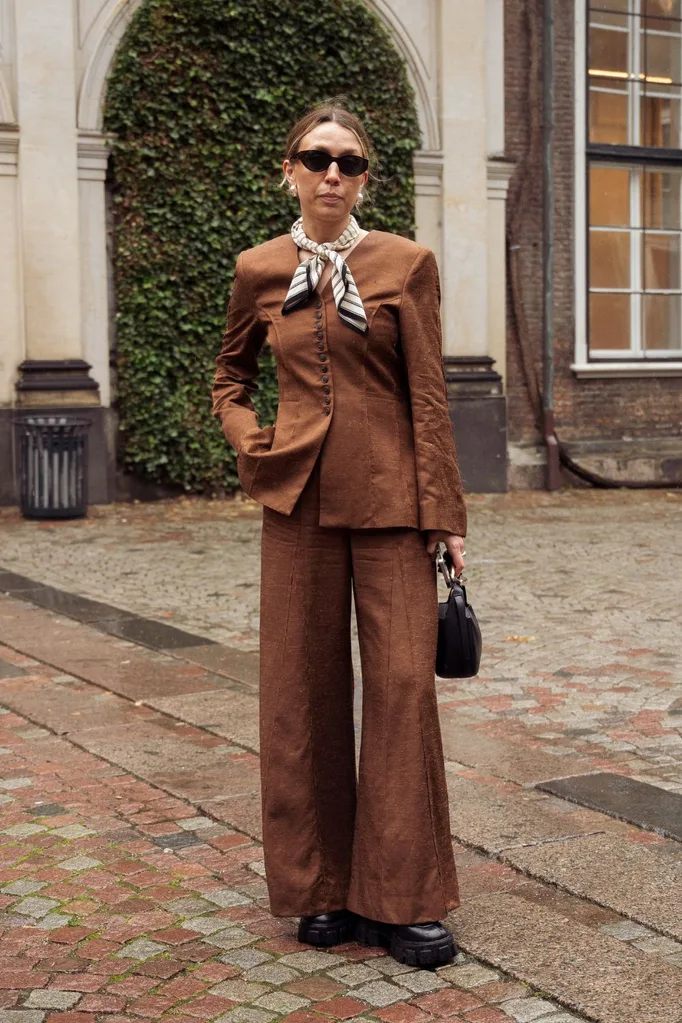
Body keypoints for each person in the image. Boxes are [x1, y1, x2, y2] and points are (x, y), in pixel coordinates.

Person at [212, 102, 467, 968]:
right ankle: (320, 889)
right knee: (300, 696)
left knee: (401, 689)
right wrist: (255, 441)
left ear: (365, 177)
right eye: (316, 158)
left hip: (393, 506)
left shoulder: (405, 264)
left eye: (349, 162)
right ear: (288, 168)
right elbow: (229, 379)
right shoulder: (259, 270)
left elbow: (428, 398)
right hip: (298, 510)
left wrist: (446, 516)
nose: (332, 173)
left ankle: (401, 899)